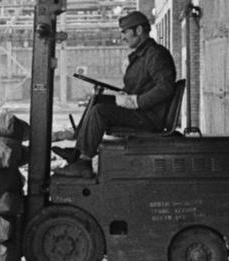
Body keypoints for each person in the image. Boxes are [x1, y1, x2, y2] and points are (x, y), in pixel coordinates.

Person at [53, 11, 177, 177]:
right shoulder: (143, 55)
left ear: (139, 30)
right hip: (141, 111)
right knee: (98, 100)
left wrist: (137, 101)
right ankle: (77, 152)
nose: (122, 37)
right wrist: (127, 96)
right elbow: (140, 86)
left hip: (149, 116)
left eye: (125, 32)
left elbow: (166, 87)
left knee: (100, 112)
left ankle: (83, 162)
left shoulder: (155, 55)